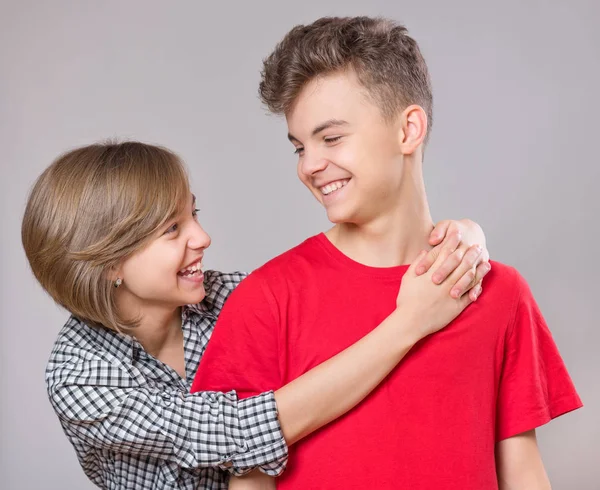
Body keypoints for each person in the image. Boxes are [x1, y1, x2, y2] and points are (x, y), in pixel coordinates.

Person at [191, 16, 583, 490]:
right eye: (299, 147)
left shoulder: (497, 291)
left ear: (408, 130)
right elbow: (248, 479)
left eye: (331, 138)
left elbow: (521, 470)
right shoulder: (267, 299)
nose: (310, 166)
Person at [22, 141, 491, 489]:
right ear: (108, 264)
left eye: (194, 215)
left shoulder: (234, 296)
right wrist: (408, 325)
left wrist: (459, 241)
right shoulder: (80, 378)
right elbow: (243, 430)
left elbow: (349, 294)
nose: (203, 238)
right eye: (172, 229)